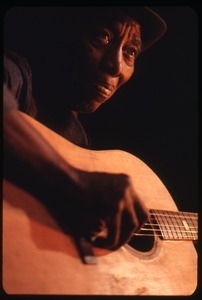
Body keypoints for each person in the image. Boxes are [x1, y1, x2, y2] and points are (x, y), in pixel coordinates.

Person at [3, 6, 167, 250]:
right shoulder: (16, 74)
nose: (116, 65)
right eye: (103, 36)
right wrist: (75, 183)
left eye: (130, 52)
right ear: (65, 33)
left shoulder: (76, 137)